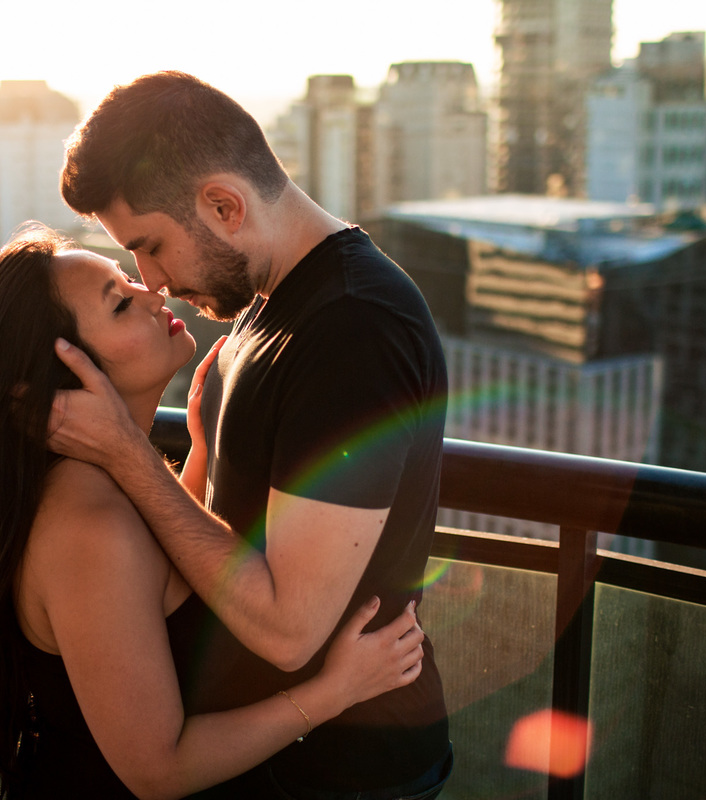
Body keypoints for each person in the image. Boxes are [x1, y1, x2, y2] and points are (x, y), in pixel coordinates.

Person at [0, 225, 428, 800]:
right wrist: (335, 691)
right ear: (65, 374)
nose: (153, 292)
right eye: (122, 303)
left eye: (129, 278)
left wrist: (201, 455)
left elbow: (153, 582)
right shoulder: (90, 529)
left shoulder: (104, 484)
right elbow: (158, 769)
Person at [49, 71, 453, 799]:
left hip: (346, 773)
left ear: (224, 205)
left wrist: (127, 454)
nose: (153, 281)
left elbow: (290, 629)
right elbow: (220, 537)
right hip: (271, 757)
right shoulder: (262, 312)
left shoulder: (354, 325)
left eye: (151, 246)